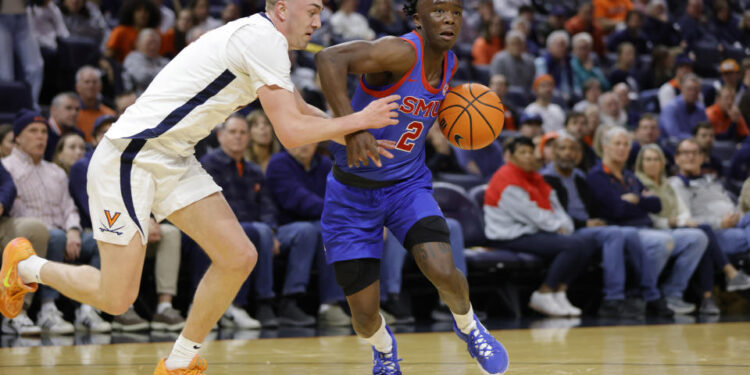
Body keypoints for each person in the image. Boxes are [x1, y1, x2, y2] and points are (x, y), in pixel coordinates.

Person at [0, 2, 400, 374]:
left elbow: (298, 109)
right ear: (281, 9)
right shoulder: (264, 40)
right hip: (130, 156)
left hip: (173, 156)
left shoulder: (263, 39)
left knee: (238, 256)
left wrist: (356, 131)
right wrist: (356, 120)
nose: (317, 22)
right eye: (311, 11)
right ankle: (26, 267)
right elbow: (292, 131)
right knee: (116, 297)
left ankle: (177, 364)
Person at [315, 0, 509, 373]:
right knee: (365, 315)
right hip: (351, 194)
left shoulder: (450, 63)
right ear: (417, 19)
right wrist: (352, 128)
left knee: (440, 266)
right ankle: (384, 351)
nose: (448, 17)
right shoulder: (401, 52)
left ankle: (469, 327)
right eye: (437, 10)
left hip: (406, 185)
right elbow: (328, 59)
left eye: (454, 11)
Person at [3, 110, 108, 333]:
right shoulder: (7, 167)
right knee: (54, 236)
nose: (40, 136)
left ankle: (88, 308)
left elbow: (69, 207)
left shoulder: (55, 172)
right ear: (18, 137)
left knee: (103, 239)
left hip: (62, 233)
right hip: (25, 235)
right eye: (33, 131)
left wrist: (72, 230)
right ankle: (46, 309)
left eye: (43, 132)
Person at [541, 134, 662, 318]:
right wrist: (584, 223)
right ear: (552, 152)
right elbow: (550, 215)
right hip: (568, 229)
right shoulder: (545, 178)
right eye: (562, 148)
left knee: (629, 233)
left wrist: (600, 217)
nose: (568, 153)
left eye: (573, 149)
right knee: (615, 233)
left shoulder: (580, 177)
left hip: (591, 226)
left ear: (579, 154)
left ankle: (651, 295)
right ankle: (613, 299)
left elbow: (601, 207)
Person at [587, 127, 706, 314]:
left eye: (626, 144)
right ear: (605, 147)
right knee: (661, 242)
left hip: (647, 227)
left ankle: (672, 292)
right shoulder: (597, 176)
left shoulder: (629, 176)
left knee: (697, 238)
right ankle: (642, 293)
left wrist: (636, 200)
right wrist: (642, 201)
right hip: (623, 230)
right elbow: (617, 210)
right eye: (617, 144)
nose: (622, 148)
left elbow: (656, 204)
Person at [485, 136, 596, 317]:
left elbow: (556, 206)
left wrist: (565, 226)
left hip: (532, 231)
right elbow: (532, 215)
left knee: (587, 242)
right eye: (522, 152)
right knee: (573, 245)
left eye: (530, 152)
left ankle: (560, 292)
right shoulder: (505, 179)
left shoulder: (535, 177)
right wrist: (558, 227)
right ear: (510, 157)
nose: (528, 156)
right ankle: (544, 292)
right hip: (507, 236)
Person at [635, 144, 750, 315]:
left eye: (695, 153)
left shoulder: (709, 182)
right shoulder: (671, 184)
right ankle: (728, 276)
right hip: (711, 231)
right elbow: (684, 218)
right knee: (700, 234)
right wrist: (720, 222)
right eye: (685, 153)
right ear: (676, 159)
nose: (690, 157)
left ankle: (724, 281)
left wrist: (737, 216)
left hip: (732, 225)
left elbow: (684, 213)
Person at [75, 66, 117, 143]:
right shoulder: (72, 113)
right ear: (77, 87)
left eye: (94, 82)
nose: (91, 85)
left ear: (100, 86)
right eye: (87, 82)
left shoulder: (110, 114)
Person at [660, 73, 708, 140]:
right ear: (681, 88)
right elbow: (674, 135)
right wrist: (696, 139)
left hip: (695, 146)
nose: (693, 93)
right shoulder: (670, 108)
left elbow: (706, 131)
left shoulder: (701, 109)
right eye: (690, 89)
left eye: (696, 89)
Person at [123, 28, 169, 95]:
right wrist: (164, 74)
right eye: (149, 43)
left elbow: (174, 74)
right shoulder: (133, 57)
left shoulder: (162, 60)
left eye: (156, 43)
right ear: (138, 43)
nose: (153, 46)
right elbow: (142, 77)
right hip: (139, 98)